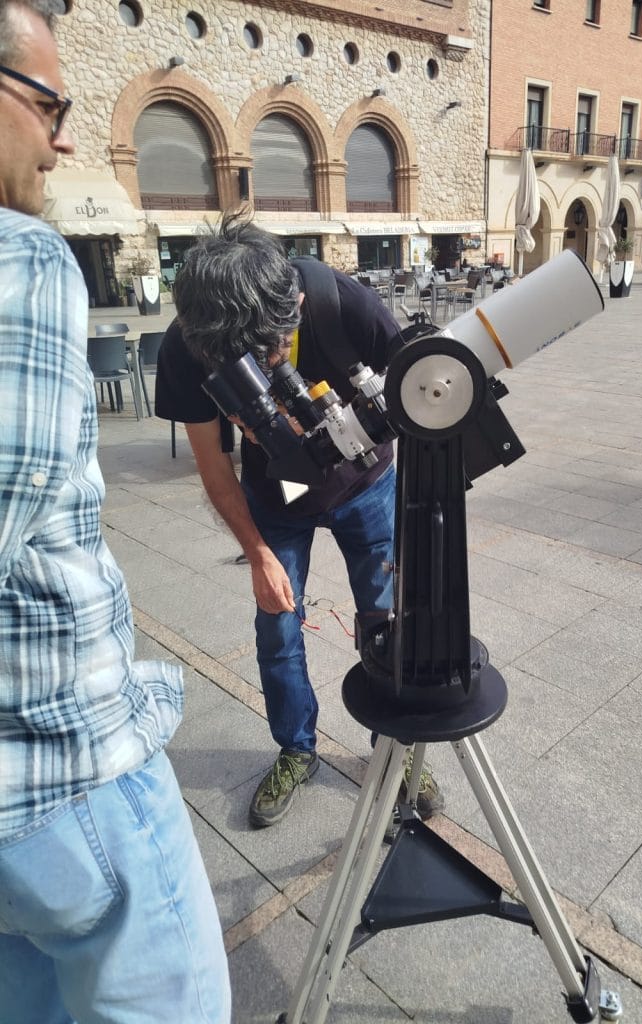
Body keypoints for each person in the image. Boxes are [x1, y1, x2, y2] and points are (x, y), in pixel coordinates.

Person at [0, 2, 231, 1021]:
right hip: (64, 770)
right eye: (50, 105)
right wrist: (262, 546)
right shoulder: (22, 256)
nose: (62, 140)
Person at [156, 213, 445, 829]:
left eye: (271, 349)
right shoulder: (189, 344)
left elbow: (424, 394)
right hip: (276, 492)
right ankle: (296, 749)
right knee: (277, 627)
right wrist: (258, 554)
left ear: (294, 303)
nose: (265, 365)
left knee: (386, 618)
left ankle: (396, 750)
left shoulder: (342, 301)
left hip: (368, 481)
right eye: (243, 359)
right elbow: (213, 465)